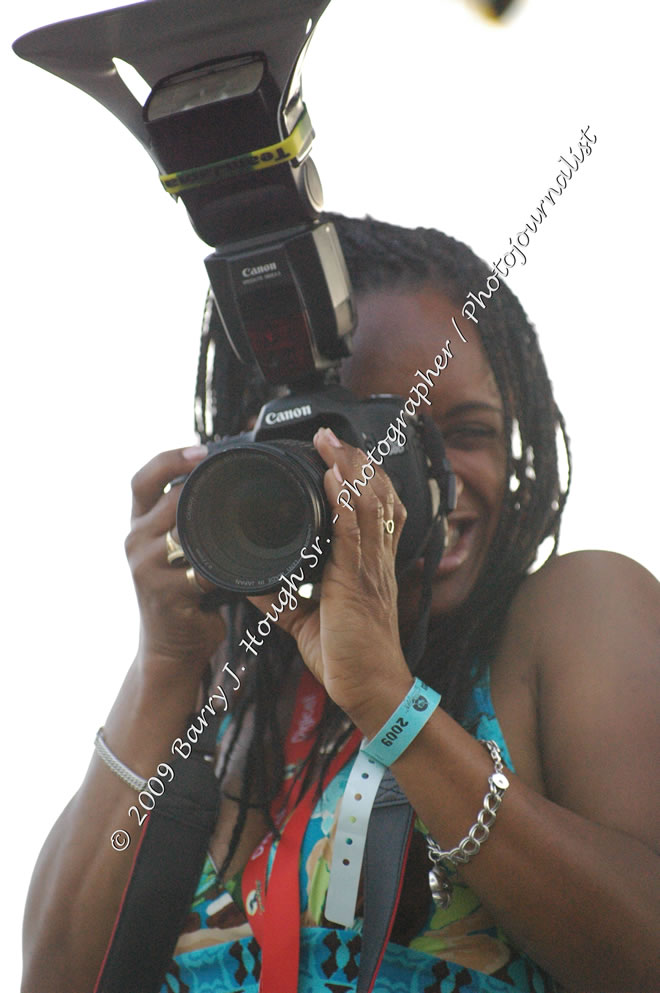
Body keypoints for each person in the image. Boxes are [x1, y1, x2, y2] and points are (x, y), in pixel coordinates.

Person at [21, 216, 660, 993]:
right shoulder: (219, 687)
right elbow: (53, 979)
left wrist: (389, 700)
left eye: (468, 433)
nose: (434, 477)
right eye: (383, 437)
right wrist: (162, 666)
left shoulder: (571, 613)